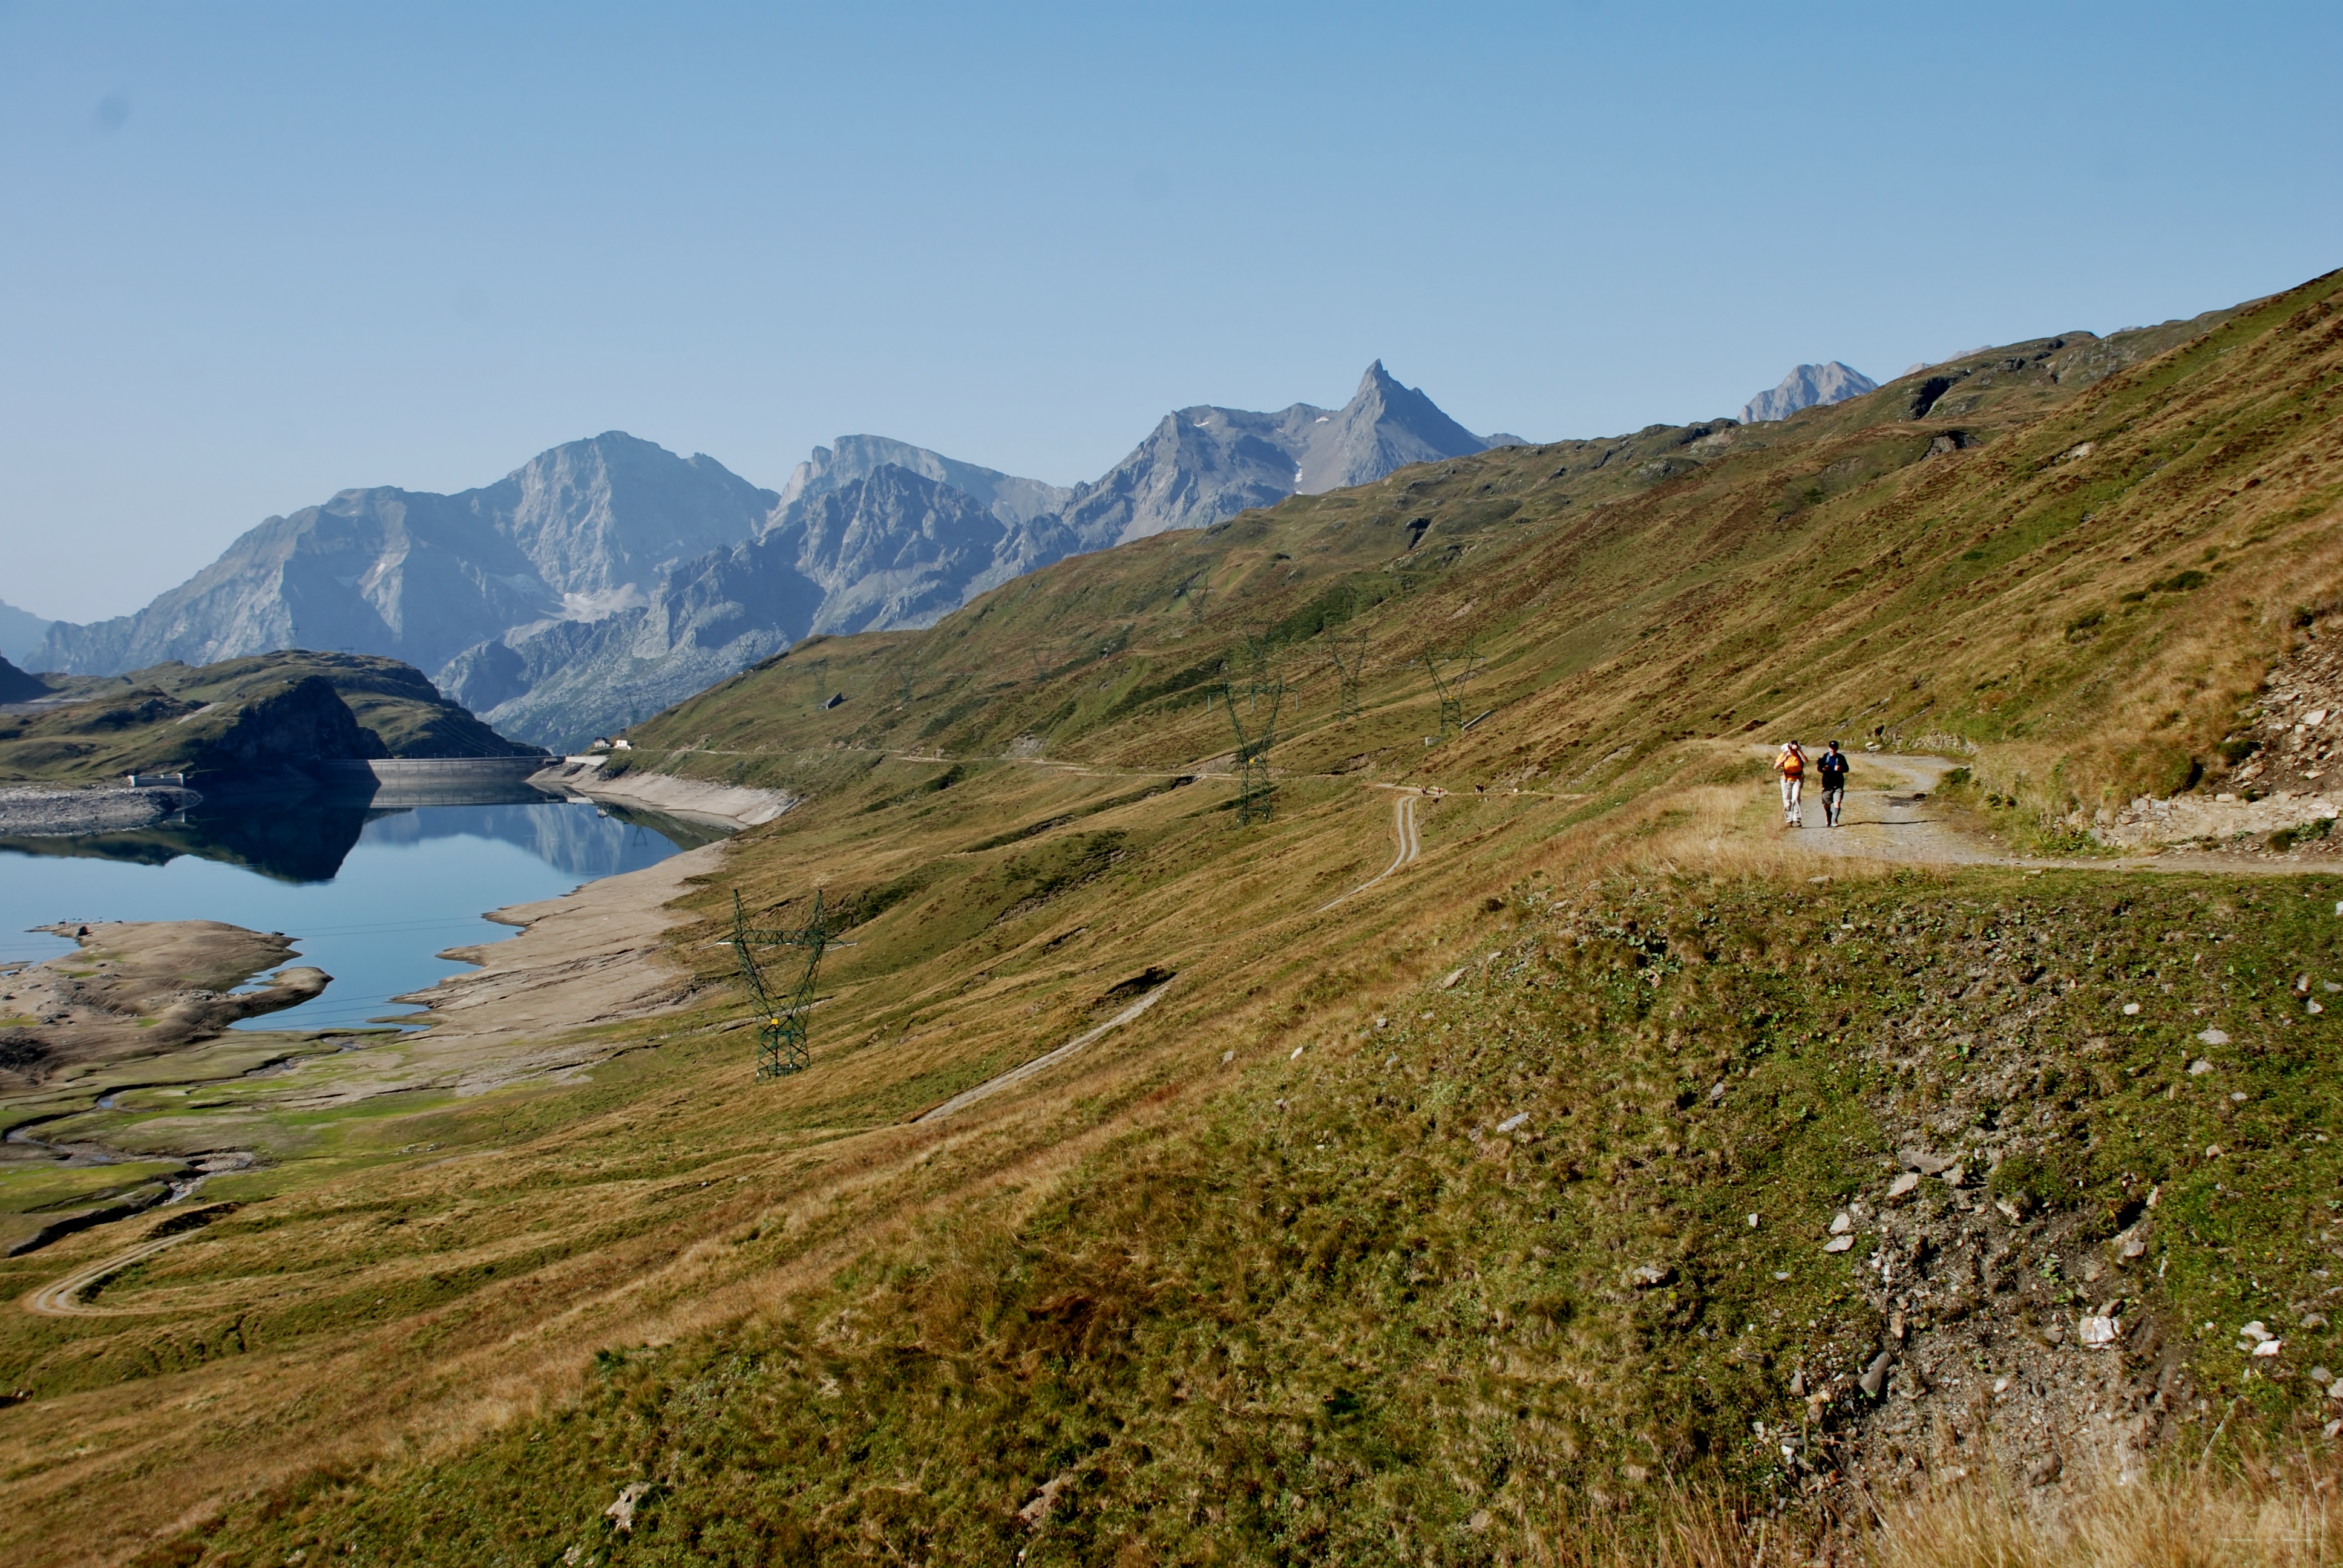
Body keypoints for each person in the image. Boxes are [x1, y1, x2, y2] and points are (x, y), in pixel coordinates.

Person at [1774, 740, 1807, 827]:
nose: (1792, 750)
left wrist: (1799, 751)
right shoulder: (1784, 755)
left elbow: (1805, 761)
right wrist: (1785, 759)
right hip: (1786, 779)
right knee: (1787, 799)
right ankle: (1789, 820)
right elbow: (1775, 767)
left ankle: (1797, 819)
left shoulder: (1798, 755)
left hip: (1797, 779)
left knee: (1796, 798)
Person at [1817, 740, 1850, 828]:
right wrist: (1824, 769)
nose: (1833, 750)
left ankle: (1835, 820)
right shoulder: (1825, 757)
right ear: (1829, 748)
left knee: (1837, 802)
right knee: (1826, 804)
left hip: (1838, 784)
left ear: (1837, 749)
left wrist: (1840, 769)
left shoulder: (1841, 758)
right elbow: (1819, 768)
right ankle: (1829, 814)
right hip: (1827, 784)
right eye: (1831, 748)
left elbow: (1847, 769)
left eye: (1834, 748)